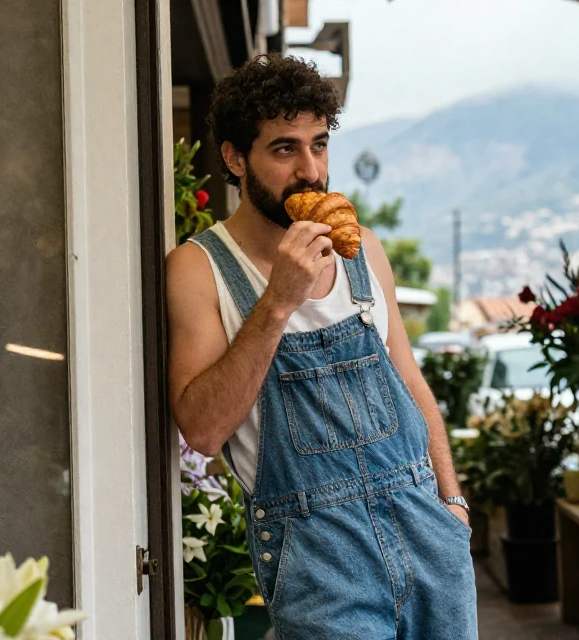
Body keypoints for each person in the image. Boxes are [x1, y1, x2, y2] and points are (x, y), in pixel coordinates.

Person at [166, 53, 477, 639]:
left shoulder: (367, 252)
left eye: (319, 144)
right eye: (285, 149)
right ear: (234, 157)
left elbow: (411, 382)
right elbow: (202, 431)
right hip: (318, 559)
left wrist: (453, 505)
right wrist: (278, 301)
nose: (310, 170)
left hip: (431, 538)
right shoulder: (199, 270)